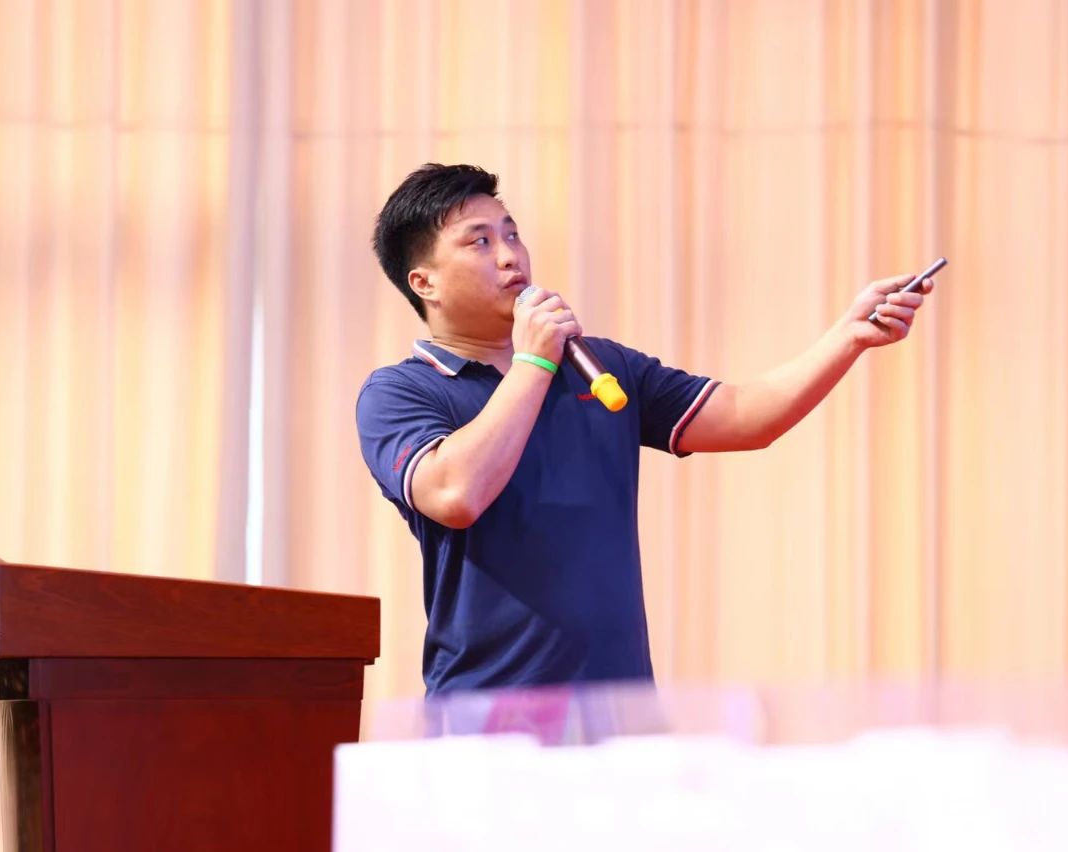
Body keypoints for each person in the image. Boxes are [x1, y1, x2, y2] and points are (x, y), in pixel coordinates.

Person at [356, 163, 933, 695]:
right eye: (480, 242)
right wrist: (533, 363)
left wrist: (848, 336)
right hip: (486, 714)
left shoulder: (600, 365)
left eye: (512, 234)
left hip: (618, 709)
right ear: (424, 283)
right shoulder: (400, 392)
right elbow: (456, 494)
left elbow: (746, 416)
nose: (510, 256)